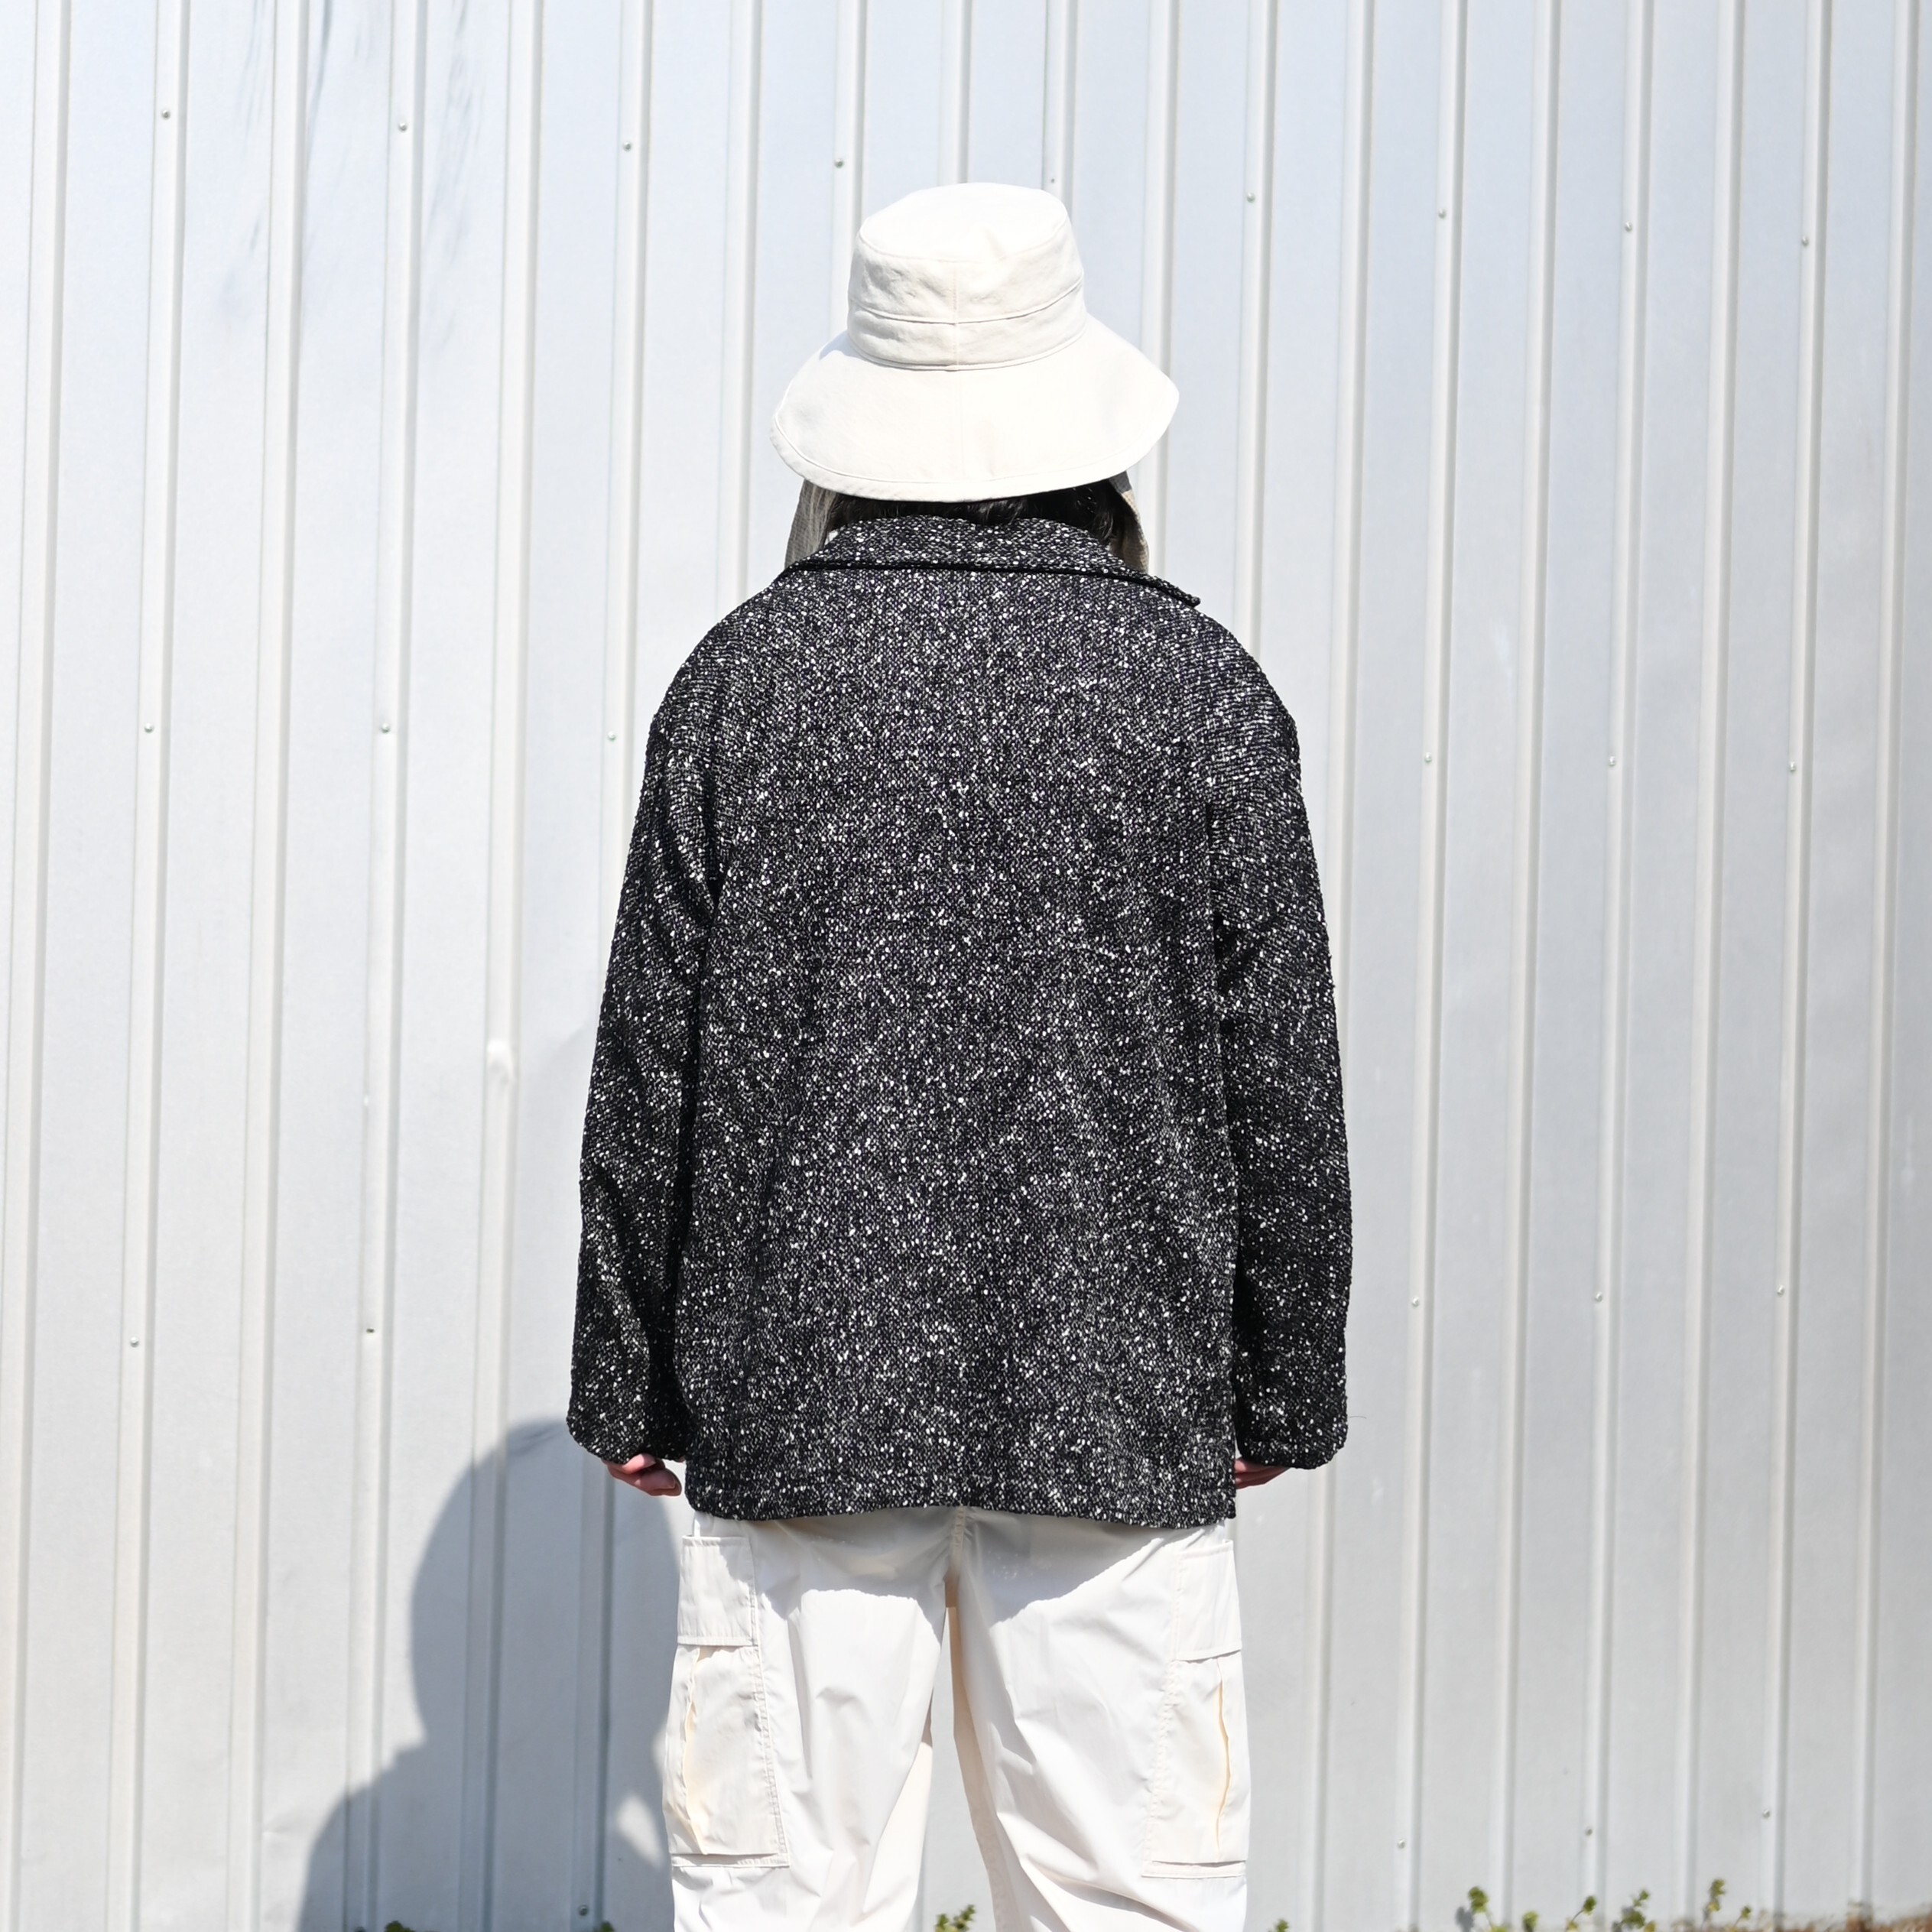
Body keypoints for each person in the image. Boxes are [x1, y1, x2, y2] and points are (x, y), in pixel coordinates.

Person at [567, 181, 1350, 1932]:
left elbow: (649, 1066)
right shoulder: (1200, 692)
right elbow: (1281, 1080)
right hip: (1115, 1402)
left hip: (801, 1391)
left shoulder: (742, 685)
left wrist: (629, 1368)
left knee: (785, 1902)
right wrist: (1283, 1377)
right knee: (1126, 1900)